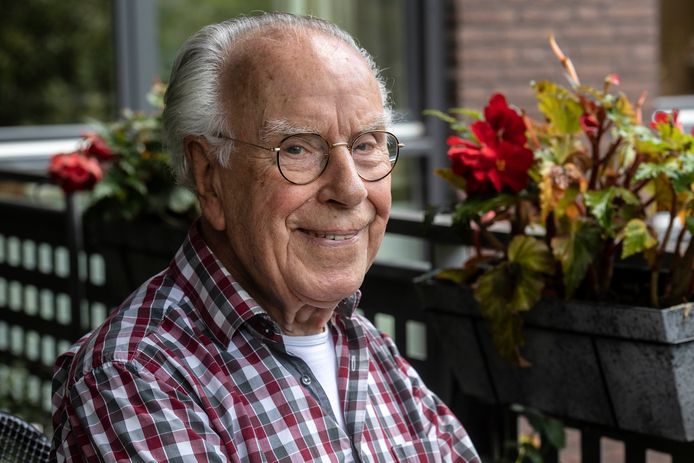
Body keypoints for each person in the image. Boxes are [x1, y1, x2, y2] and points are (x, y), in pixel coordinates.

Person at [51, 12, 480, 462]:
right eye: (297, 148)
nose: (351, 188)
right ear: (209, 175)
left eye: (366, 144)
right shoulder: (135, 378)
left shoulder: (363, 341)